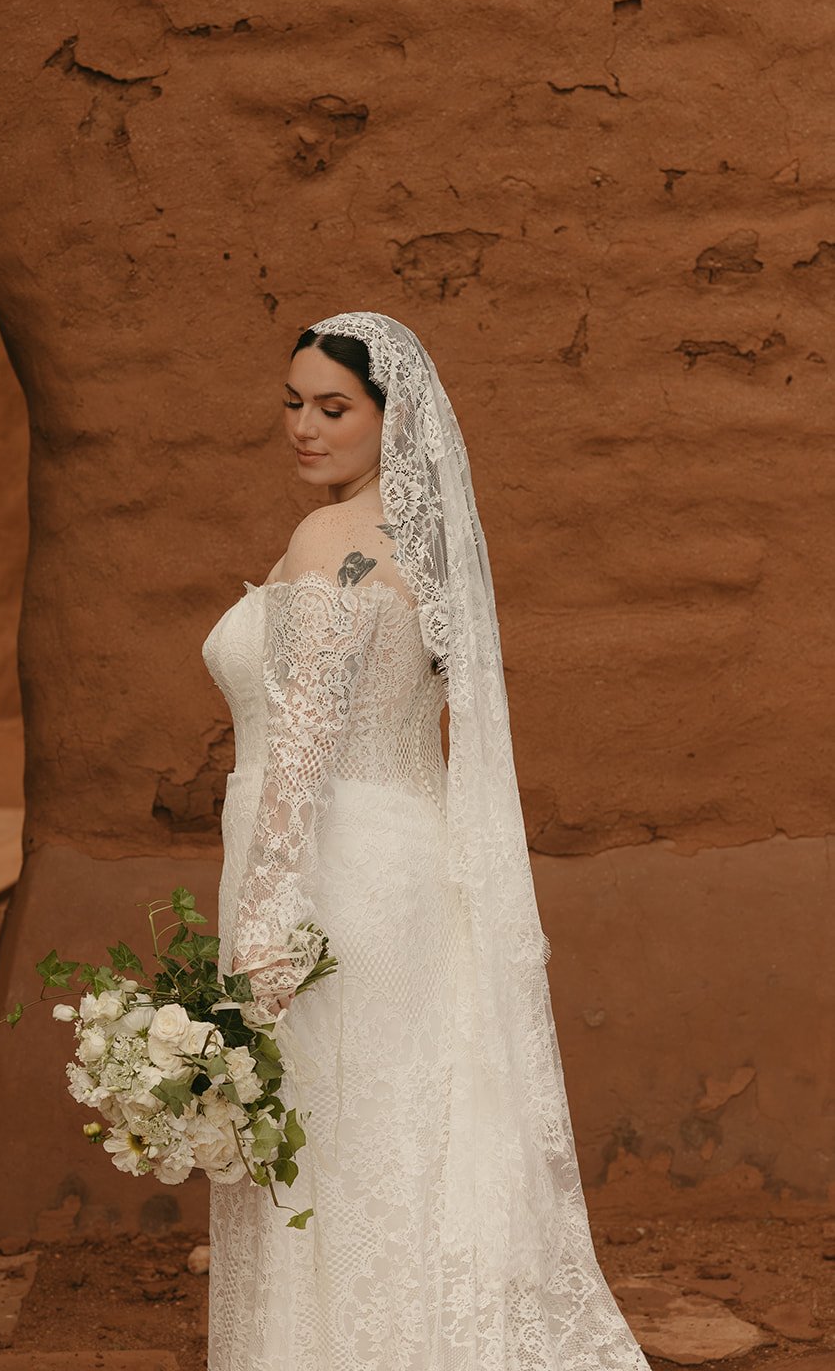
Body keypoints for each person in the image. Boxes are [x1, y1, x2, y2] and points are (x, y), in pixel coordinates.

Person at [200, 310, 651, 1370]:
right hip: (402, 865)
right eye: (291, 403)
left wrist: (264, 923)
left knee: (334, 1142)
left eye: (333, 408)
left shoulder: (328, 542)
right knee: (397, 1136)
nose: (304, 428)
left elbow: (304, 746)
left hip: (322, 872)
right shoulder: (418, 545)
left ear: (389, 420)